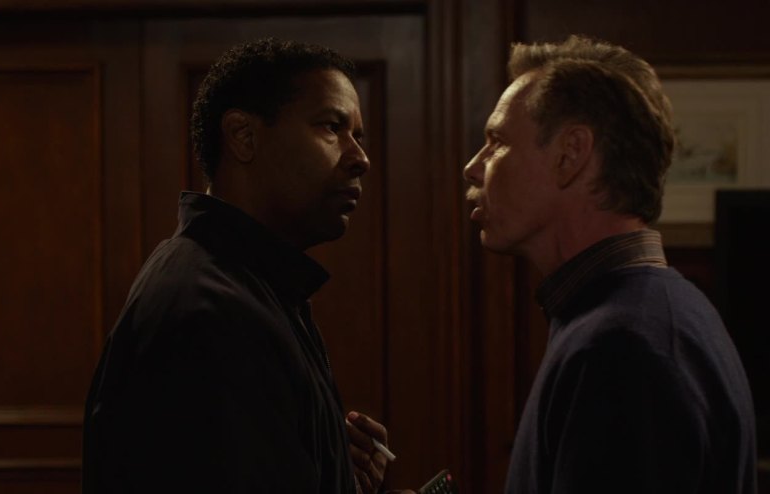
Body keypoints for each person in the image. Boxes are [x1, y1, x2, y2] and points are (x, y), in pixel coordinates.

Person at [83, 38, 391, 494]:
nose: (359, 158)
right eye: (332, 127)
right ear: (243, 136)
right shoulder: (211, 309)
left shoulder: (250, 283)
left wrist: (327, 464)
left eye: (358, 137)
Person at [464, 35, 757, 493]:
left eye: (496, 142)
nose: (473, 167)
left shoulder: (622, 346)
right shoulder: (642, 313)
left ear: (570, 154)